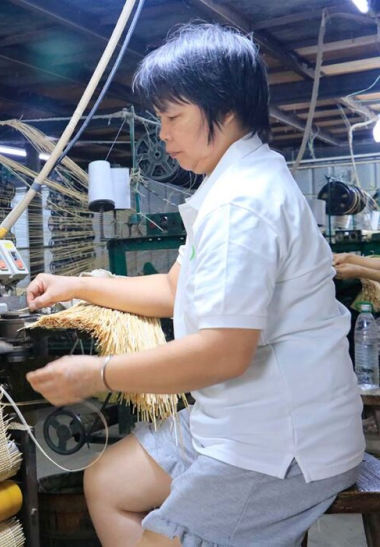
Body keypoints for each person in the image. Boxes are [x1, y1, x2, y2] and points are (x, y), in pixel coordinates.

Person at [25, 25, 364, 547]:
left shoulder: (243, 204)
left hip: (281, 444)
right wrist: (76, 285)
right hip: (234, 419)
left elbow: (223, 354)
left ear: (223, 110)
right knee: (108, 481)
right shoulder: (228, 185)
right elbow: (171, 289)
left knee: (160, 538)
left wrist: (99, 374)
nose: (162, 134)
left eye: (172, 117)